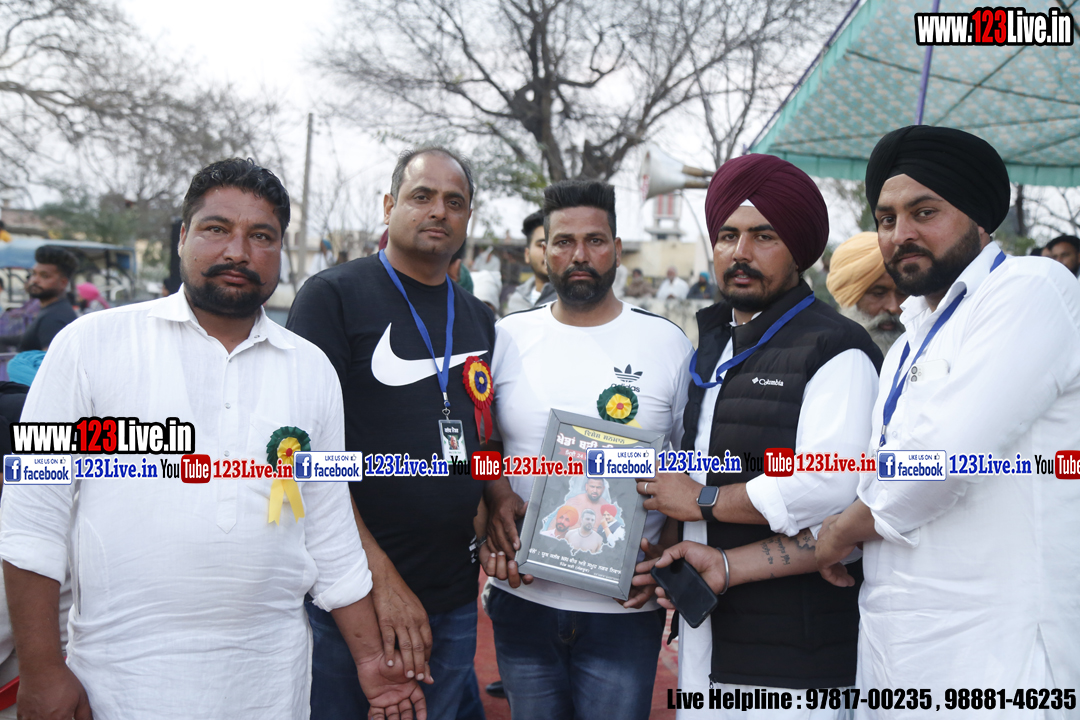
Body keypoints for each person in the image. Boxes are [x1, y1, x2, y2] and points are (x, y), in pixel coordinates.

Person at [0, 158, 424, 720]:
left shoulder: (312, 369)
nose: (237, 252)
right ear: (183, 237)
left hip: (271, 687)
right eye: (216, 228)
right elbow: (33, 517)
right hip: (119, 685)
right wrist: (41, 670)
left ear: (280, 250)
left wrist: (371, 661)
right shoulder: (89, 345)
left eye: (261, 236)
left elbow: (329, 531)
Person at [814, 125, 1080, 717]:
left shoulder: (1031, 288)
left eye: (924, 212)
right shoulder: (910, 339)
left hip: (998, 658)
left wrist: (840, 531)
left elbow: (940, 459)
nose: (901, 234)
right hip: (899, 649)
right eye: (886, 219)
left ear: (978, 216)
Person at [636, 153, 882, 719]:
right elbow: (691, 466)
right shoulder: (713, 345)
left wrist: (702, 499)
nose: (740, 252)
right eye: (727, 235)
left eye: (763, 236)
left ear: (799, 250)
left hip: (793, 657)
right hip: (707, 632)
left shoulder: (836, 349)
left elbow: (831, 484)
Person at [288, 146, 494, 720]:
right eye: (422, 196)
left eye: (455, 201)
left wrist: (497, 498)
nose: (439, 211)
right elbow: (304, 458)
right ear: (388, 205)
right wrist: (377, 578)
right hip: (349, 596)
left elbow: (481, 437)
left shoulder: (479, 317)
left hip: (454, 594)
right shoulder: (332, 296)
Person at [483, 179, 693, 720]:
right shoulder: (506, 337)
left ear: (617, 248)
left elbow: (684, 462)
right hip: (523, 599)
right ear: (544, 251)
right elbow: (485, 444)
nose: (579, 255)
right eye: (563, 241)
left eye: (595, 240)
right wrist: (495, 499)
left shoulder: (667, 344)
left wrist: (666, 554)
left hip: (624, 612)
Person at [826, 232, 907, 355]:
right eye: (878, 293)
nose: (893, 307)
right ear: (849, 298)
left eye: (902, 293)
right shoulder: (826, 357)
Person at [0, 246, 78, 352]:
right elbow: (30, 339)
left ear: (63, 283)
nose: (35, 280)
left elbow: (50, 360)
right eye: (34, 274)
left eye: (44, 276)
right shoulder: (50, 309)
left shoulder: (54, 317)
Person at [506, 210, 556, 313]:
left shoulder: (577, 301)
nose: (548, 252)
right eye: (540, 245)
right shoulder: (516, 301)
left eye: (557, 243)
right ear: (527, 254)